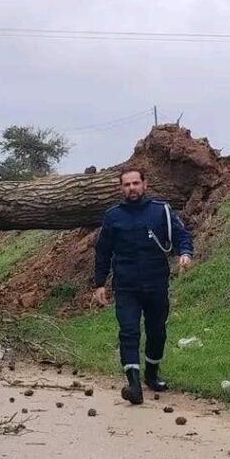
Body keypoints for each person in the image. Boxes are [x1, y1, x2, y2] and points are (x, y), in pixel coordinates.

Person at [92, 169, 194, 405]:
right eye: (127, 184)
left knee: (156, 331)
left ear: (145, 185)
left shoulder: (161, 211)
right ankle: (134, 384)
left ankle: (151, 374)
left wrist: (185, 253)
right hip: (126, 286)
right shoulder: (113, 216)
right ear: (121, 188)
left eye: (136, 183)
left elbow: (181, 235)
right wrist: (99, 284)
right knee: (129, 331)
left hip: (156, 283)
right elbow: (103, 251)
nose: (132, 188)